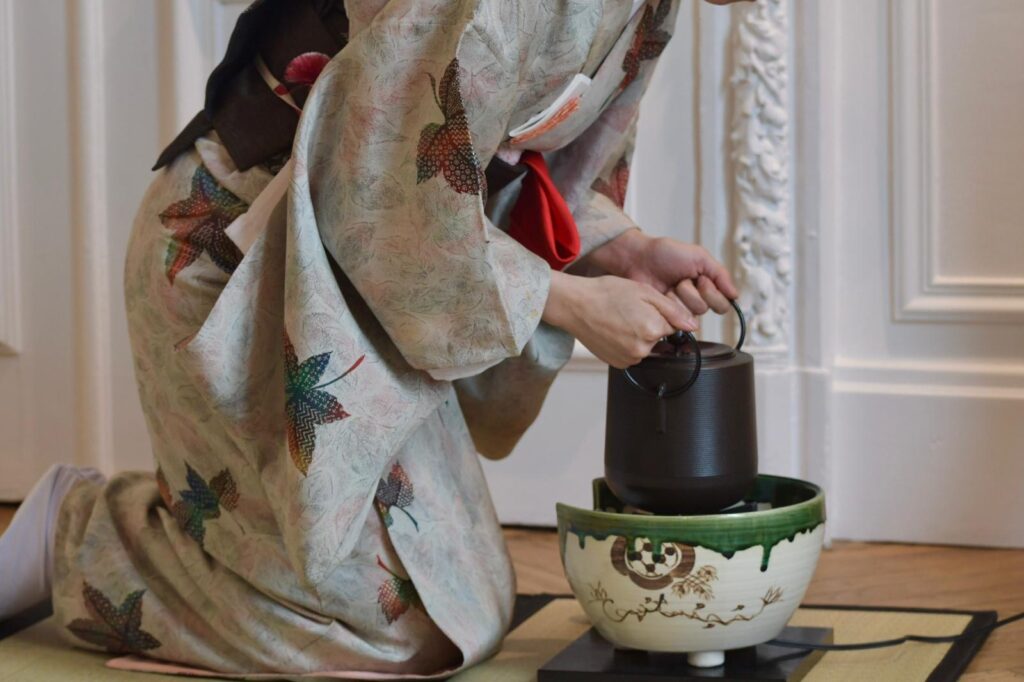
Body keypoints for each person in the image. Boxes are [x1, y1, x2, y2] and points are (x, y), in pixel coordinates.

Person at [0, 0, 746, 676]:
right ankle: (78, 536)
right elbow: (377, 194)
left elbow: (541, 165)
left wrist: (624, 249)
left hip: (352, 285)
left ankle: (202, 536)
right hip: (240, 261)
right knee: (393, 635)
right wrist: (574, 303)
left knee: (464, 607)